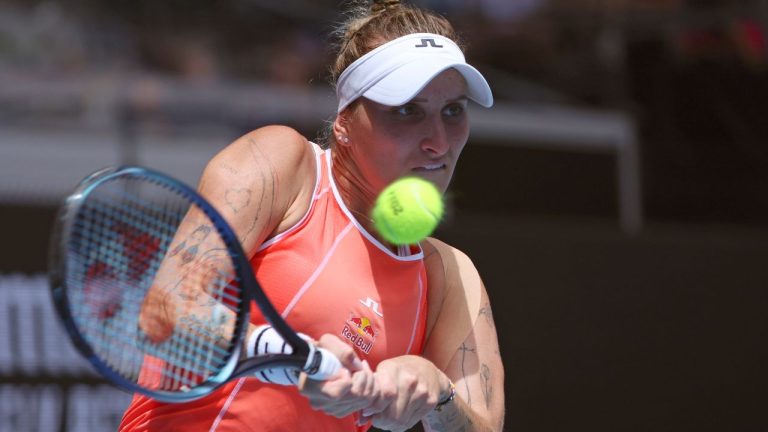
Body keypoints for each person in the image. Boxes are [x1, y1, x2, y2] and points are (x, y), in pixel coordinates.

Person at [119, 0, 504, 431]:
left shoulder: (451, 277)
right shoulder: (281, 164)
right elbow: (165, 314)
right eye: (406, 110)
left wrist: (435, 392)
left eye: (453, 111)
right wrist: (297, 357)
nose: (438, 141)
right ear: (344, 121)